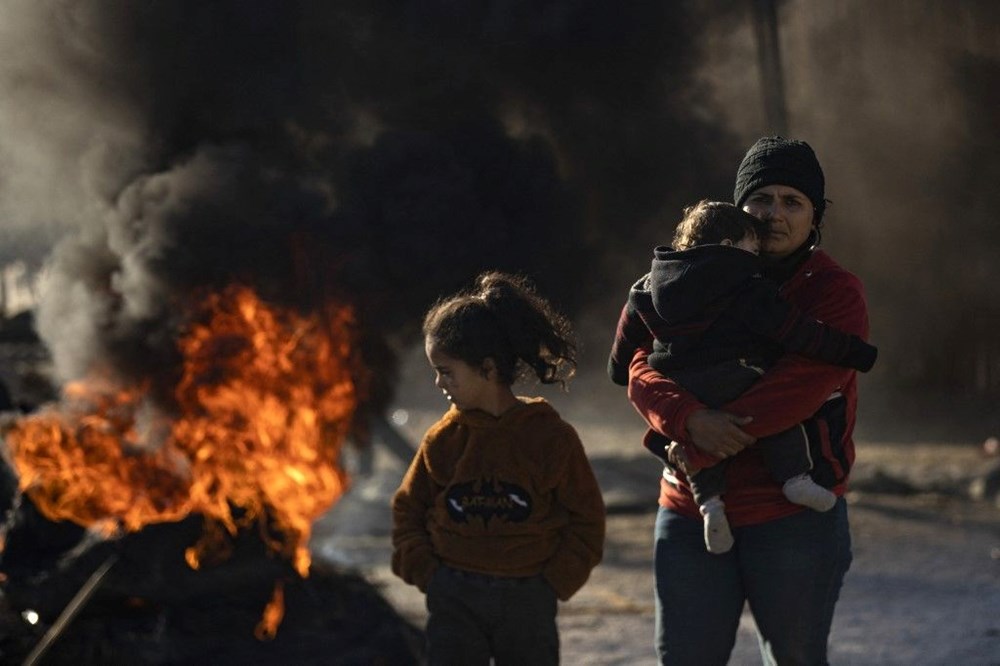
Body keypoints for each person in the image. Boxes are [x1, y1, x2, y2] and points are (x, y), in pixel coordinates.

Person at [628, 136, 870, 665]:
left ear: (814, 216)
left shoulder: (833, 292)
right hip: (690, 512)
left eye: (792, 202)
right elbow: (639, 365)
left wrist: (701, 443)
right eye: (761, 198)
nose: (773, 214)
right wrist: (687, 417)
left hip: (791, 517)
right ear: (737, 206)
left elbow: (796, 391)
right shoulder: (685, 276)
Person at [608, 200, 876, 554]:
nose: (757, 253)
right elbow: (796, 333)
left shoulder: (648, 285)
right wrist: (856, 352)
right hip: (734, 377)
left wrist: (618, 367)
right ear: (730, 246)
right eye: (751, 246)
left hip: (682, 383)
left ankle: (710, 506)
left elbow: (627, 350)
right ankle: (795, 477)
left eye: (791, 201)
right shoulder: (743, 285)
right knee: (776, 408)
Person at [391, 271, 606, 666]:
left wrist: (552, 583)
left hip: (527, 599)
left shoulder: (548, 438)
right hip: (454, 597)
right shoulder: (443, 439)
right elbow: (408, 511)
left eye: (446, 371)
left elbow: (587, 520)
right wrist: (430, 576)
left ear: (488, 369)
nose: (439, 382)